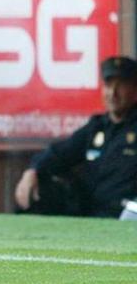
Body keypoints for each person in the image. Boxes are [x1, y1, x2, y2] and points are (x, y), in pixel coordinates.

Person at [15, 56, 137, 218]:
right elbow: (59, 153)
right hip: (88, 210)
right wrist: (33, 171)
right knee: (39, 189)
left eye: (120, 86)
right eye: (108, 85)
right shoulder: (97, 126)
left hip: (124, 213)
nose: (113, 93)